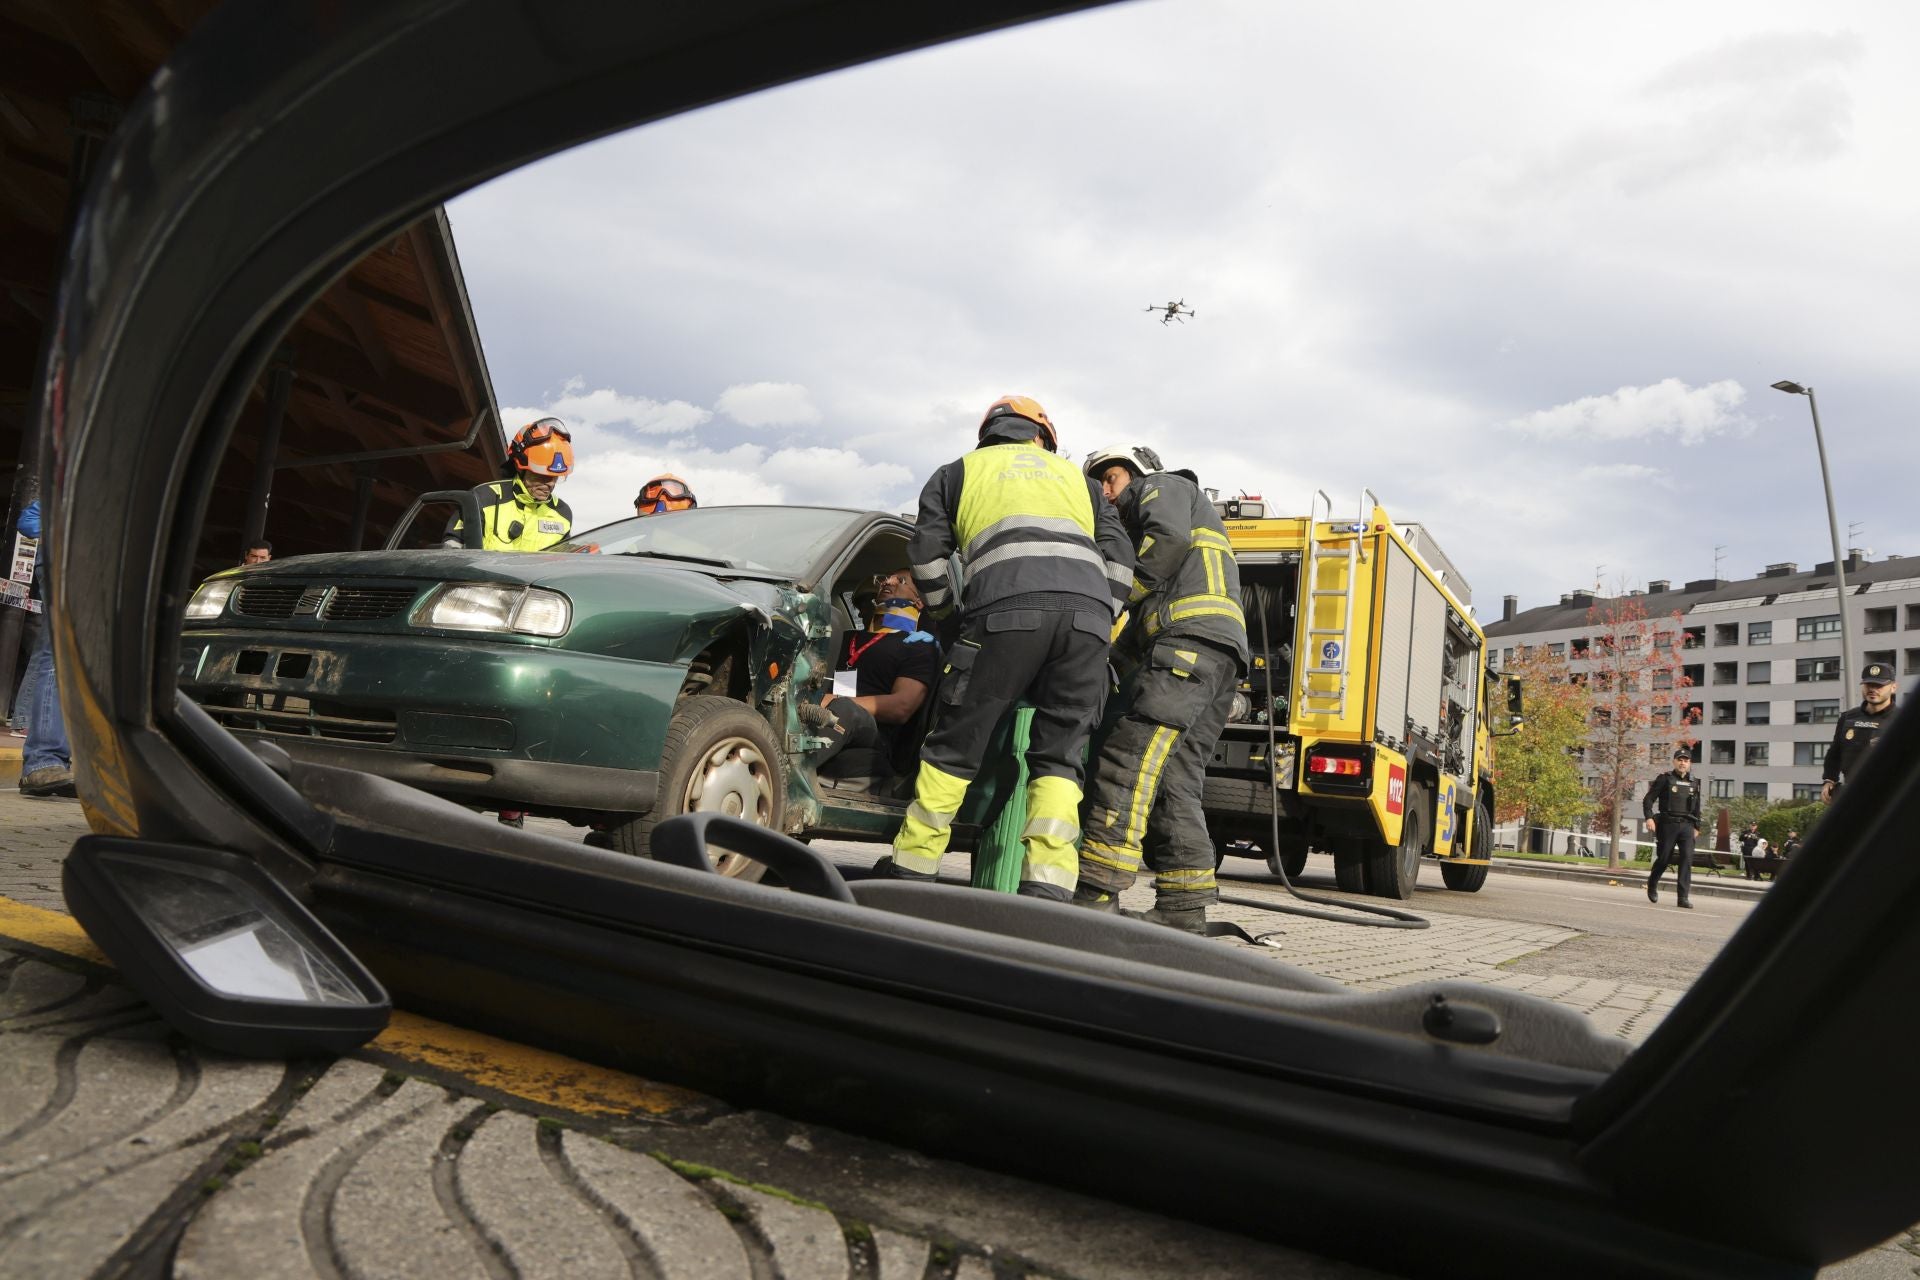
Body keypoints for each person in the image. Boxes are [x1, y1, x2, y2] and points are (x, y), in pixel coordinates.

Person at [878, 395, 1133, 899]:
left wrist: (952, 619)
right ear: (1044, 437)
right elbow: (1121, 559)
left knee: (957, 742)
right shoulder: (1078, 481)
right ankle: (1048, 887)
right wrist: (1104, 614)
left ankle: (913, 868)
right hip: (1087, 623)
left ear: (988, 433)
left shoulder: (957, 473)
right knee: (1061, 757)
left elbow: (927, 559)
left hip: (1002, 615)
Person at [1070, 443, 1249, 933]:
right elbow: (1149, 617)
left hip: (1188, 646)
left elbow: (1163, 544)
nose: (1106, 495)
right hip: (1215, 656)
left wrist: (1111, 595)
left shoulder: (1166, 486)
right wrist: (1109, 660)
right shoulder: (1189, 521)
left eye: (1109, 480)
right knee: (1174, 780)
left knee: (1128, 758)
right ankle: (1185, 907)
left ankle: (1095, 892)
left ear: (1133, 472)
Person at [801, 570, 941, 779]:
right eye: (885, 578)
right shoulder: (846, 636)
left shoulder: (919, 645)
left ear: (919, 601)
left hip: (873, 733)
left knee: (844, 709)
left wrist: (833, 700)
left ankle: (787, 775)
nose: (888, 582)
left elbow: (901, 707)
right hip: (825, 711)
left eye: (900, 580)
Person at [16, 500, 74, 799]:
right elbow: (29, 518)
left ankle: (52, 761)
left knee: (61, 656)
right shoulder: (84, 471)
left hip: (94, 563)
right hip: (67, 560)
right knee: (58, 655)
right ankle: (44, 759)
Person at [446, 417, 575, 551]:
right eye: (542, 475)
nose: (550, 483)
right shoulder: (482, 498)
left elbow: (563, 562)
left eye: (555, 477)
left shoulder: (562, 513)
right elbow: (452, 550)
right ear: (520, 467)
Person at [1821, 663, 1898, 804]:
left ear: (1893, 687)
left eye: (1879, 685)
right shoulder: (1848, 717)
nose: (1873, 689)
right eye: (1869, 685)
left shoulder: (1902, 720)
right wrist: (1829, 780)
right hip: (1850, 796)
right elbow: (1835, 753)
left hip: (1887, 799)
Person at [1642, 747, 1702, 908]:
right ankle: (1652, 883)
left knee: (1687, 860)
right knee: (1664, 858)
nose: (1683, 763)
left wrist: (1697, 825)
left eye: (1686, 760)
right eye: (1680, 760)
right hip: (1668, 825)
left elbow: (1697, 806)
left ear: (1690, 763)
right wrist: (1649, 818)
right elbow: (1648, 800)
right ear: (1674, 761)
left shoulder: (1694, 782)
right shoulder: (1664, 779)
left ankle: (1683, 897)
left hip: (1687, 826)